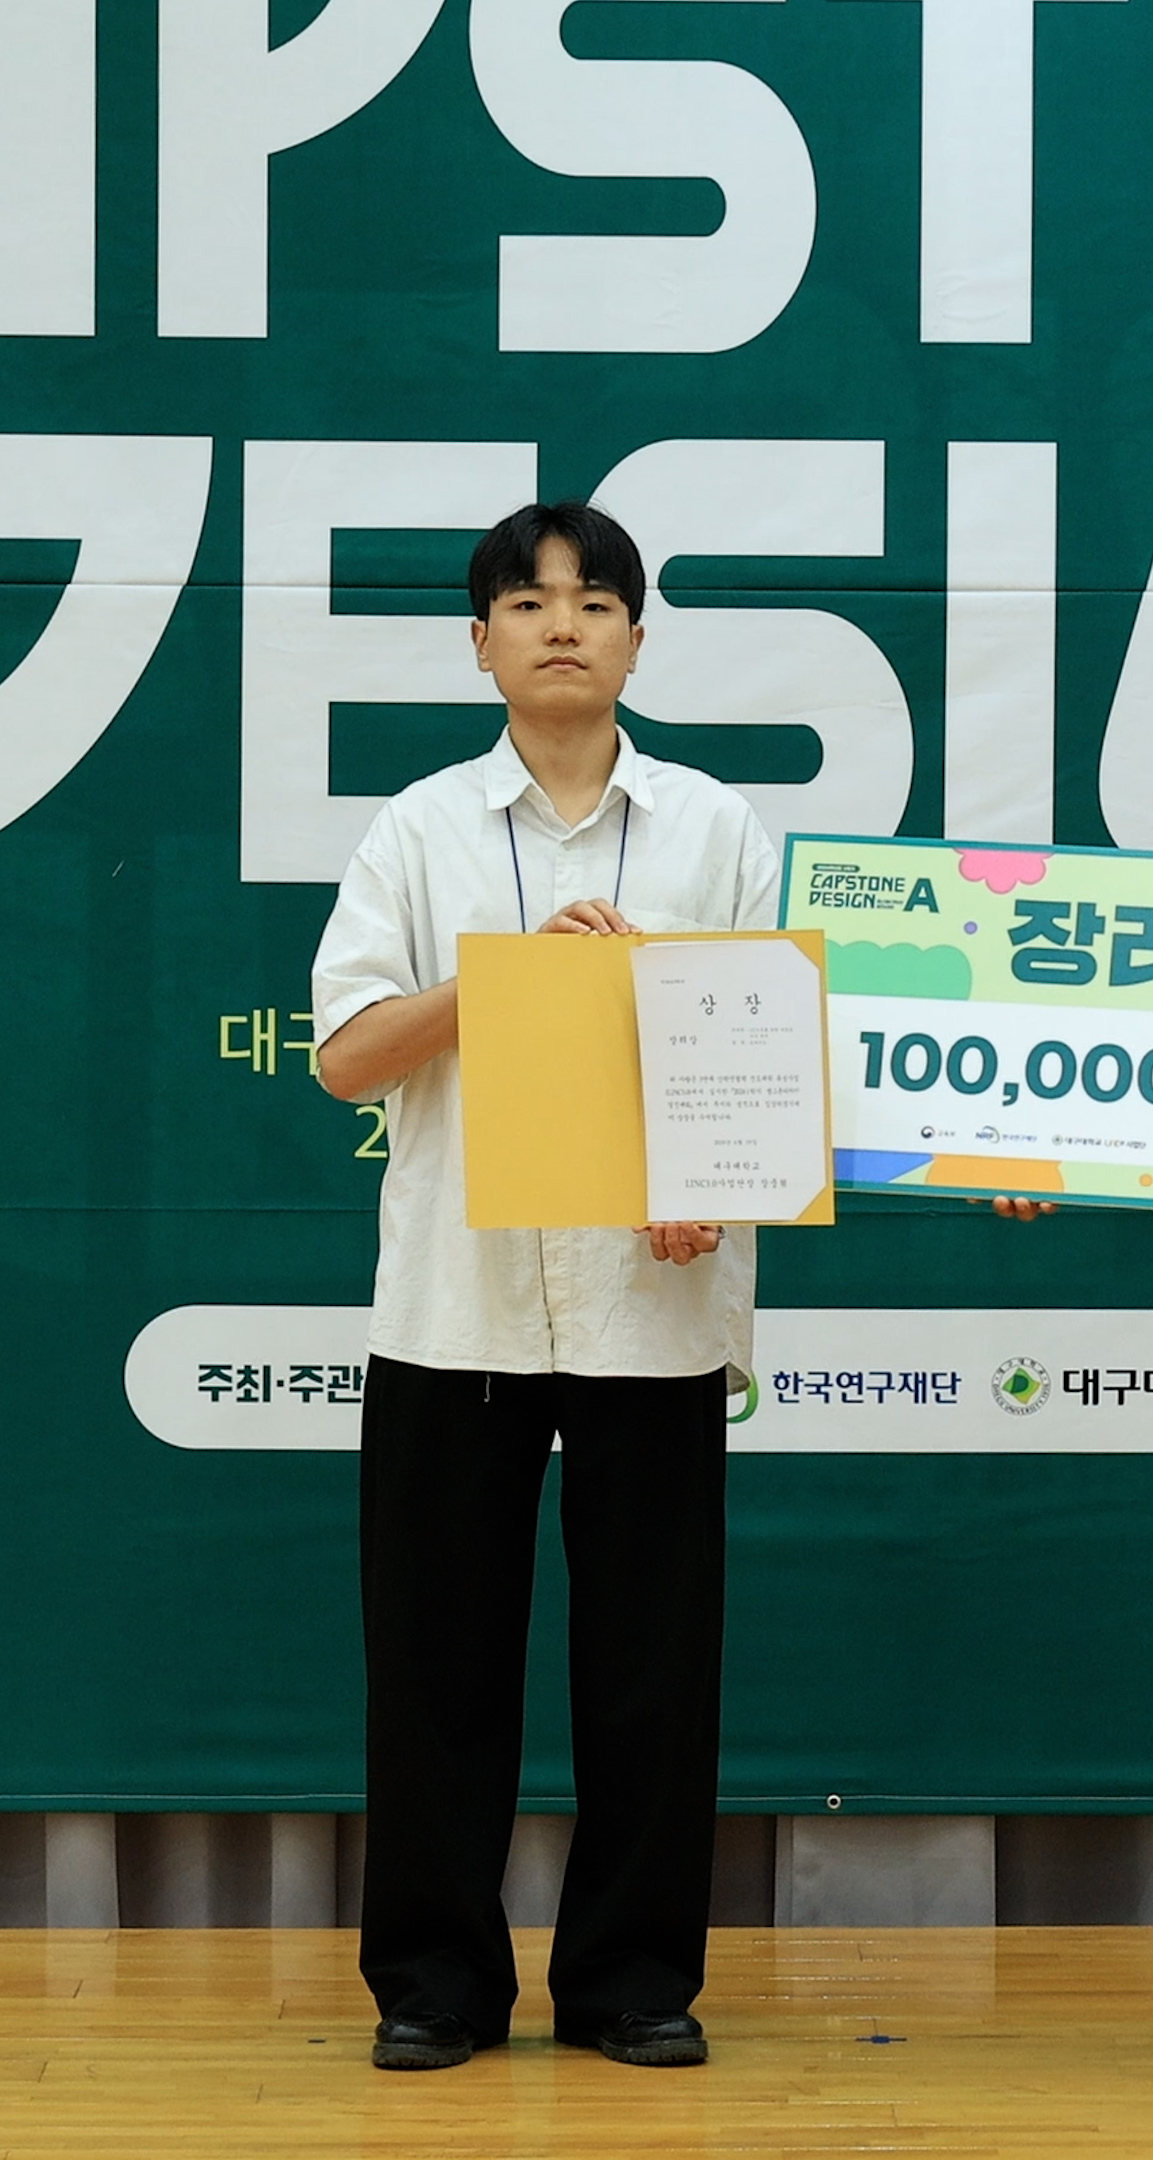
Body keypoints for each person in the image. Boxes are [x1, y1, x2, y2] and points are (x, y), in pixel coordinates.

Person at [310, 500, 780, 2073]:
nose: (561, 624)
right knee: (435, 1665)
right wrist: (502, 984)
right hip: (458, 1304)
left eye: (592, 600)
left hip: (657, 1300)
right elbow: (344, 1057)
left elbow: (766, 1049)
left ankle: (633, 1982)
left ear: (638, 637)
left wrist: (712, 1181)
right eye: (527, 601)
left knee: (654, 1670)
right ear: (481, 642)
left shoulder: (716, 827)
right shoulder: (419, 829)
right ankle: (435, 1986)